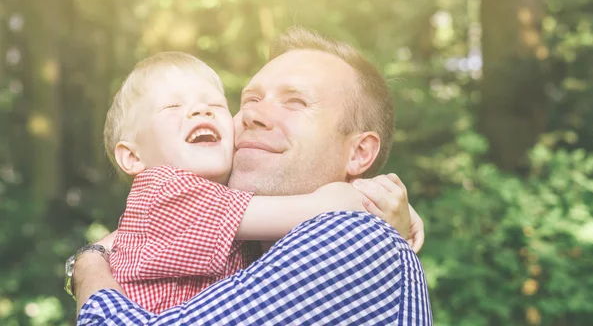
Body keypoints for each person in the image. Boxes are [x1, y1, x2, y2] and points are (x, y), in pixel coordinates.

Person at [73, 27, 432, 325]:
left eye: (295, 102)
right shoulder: (244, 246)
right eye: (249, 101)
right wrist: (371, 197)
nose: (253, 116)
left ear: (359, 153)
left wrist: (88, 265)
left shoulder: (354, 236)